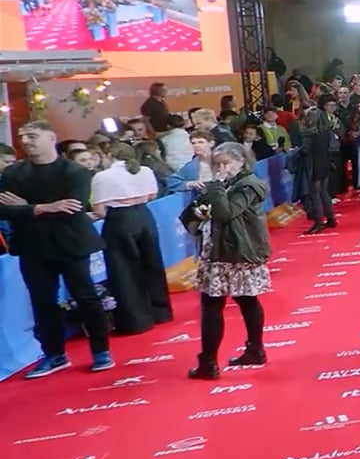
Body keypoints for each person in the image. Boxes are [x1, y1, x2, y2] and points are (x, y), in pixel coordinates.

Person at [0, 120, 114, 377]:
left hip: (71, 242)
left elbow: (72, 209)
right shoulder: (13, 174)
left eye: (32, 135)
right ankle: (55, 355)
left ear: (51, 138)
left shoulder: (75, 171)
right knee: (42, 302)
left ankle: (101, 350)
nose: (26, 141)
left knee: (86, 297)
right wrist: (43, 207)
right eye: (22, 137)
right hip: (32, 247)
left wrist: (26, 207)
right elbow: (3, 209)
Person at [182, 143, 271, 379]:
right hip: (222, 249)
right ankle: (249, 351)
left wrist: (215, 186)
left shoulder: (248, 185)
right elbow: (210, 210)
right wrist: (200, 211)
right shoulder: (231, 183)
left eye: (226, 164)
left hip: (234, 253)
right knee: (234, 301)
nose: (221, 169)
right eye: (217, 165)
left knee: (226, 302)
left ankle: (211, 362)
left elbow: (226, 213)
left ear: (241, 162)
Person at [90, 142, 174, 336]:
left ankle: (136, 321)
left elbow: (99, 210)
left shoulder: (102, 177)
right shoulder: (144, 170)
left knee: (124, 271)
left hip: (120, 220)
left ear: (109, 154)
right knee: (152, 264)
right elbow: (152, 194)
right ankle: (160, 312)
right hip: (144, 216)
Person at [297, 104, 339, 234]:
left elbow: (305, 150)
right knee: (324, 192)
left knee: (315, 194)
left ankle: (318, 222)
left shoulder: (308, 133)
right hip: (324, 162)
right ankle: (331, 219)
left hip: (313, 164)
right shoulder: (325, 131)